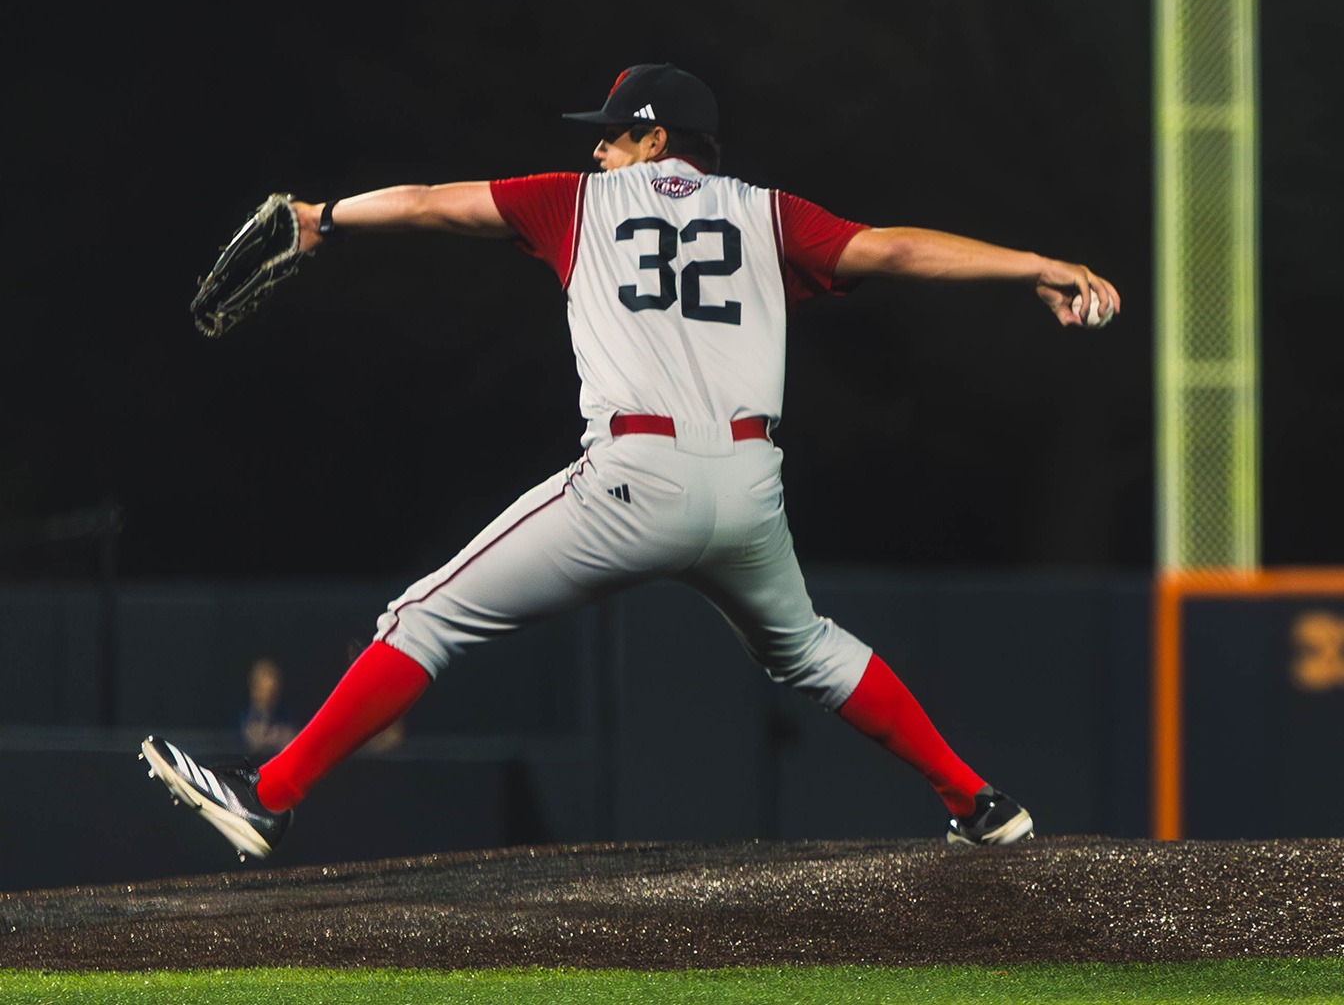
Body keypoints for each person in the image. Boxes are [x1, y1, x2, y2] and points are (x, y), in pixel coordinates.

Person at [140, 63, 1119, 860]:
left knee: (425, 617)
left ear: (655, 141)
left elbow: (433, 203)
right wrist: (1036, 265)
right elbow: (896, 251)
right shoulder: (769, 214)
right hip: (747, 491)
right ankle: (980, 804)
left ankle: (268, 796)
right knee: (809, 648)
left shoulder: (579, 201)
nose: (597, 147)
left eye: (612, 131)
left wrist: (325, 218)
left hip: (632, 480)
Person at [236, 657, 296, 756]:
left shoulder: (287, 720)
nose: (271, 686)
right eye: (262, 681)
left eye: (274, 679)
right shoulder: (238, 719)